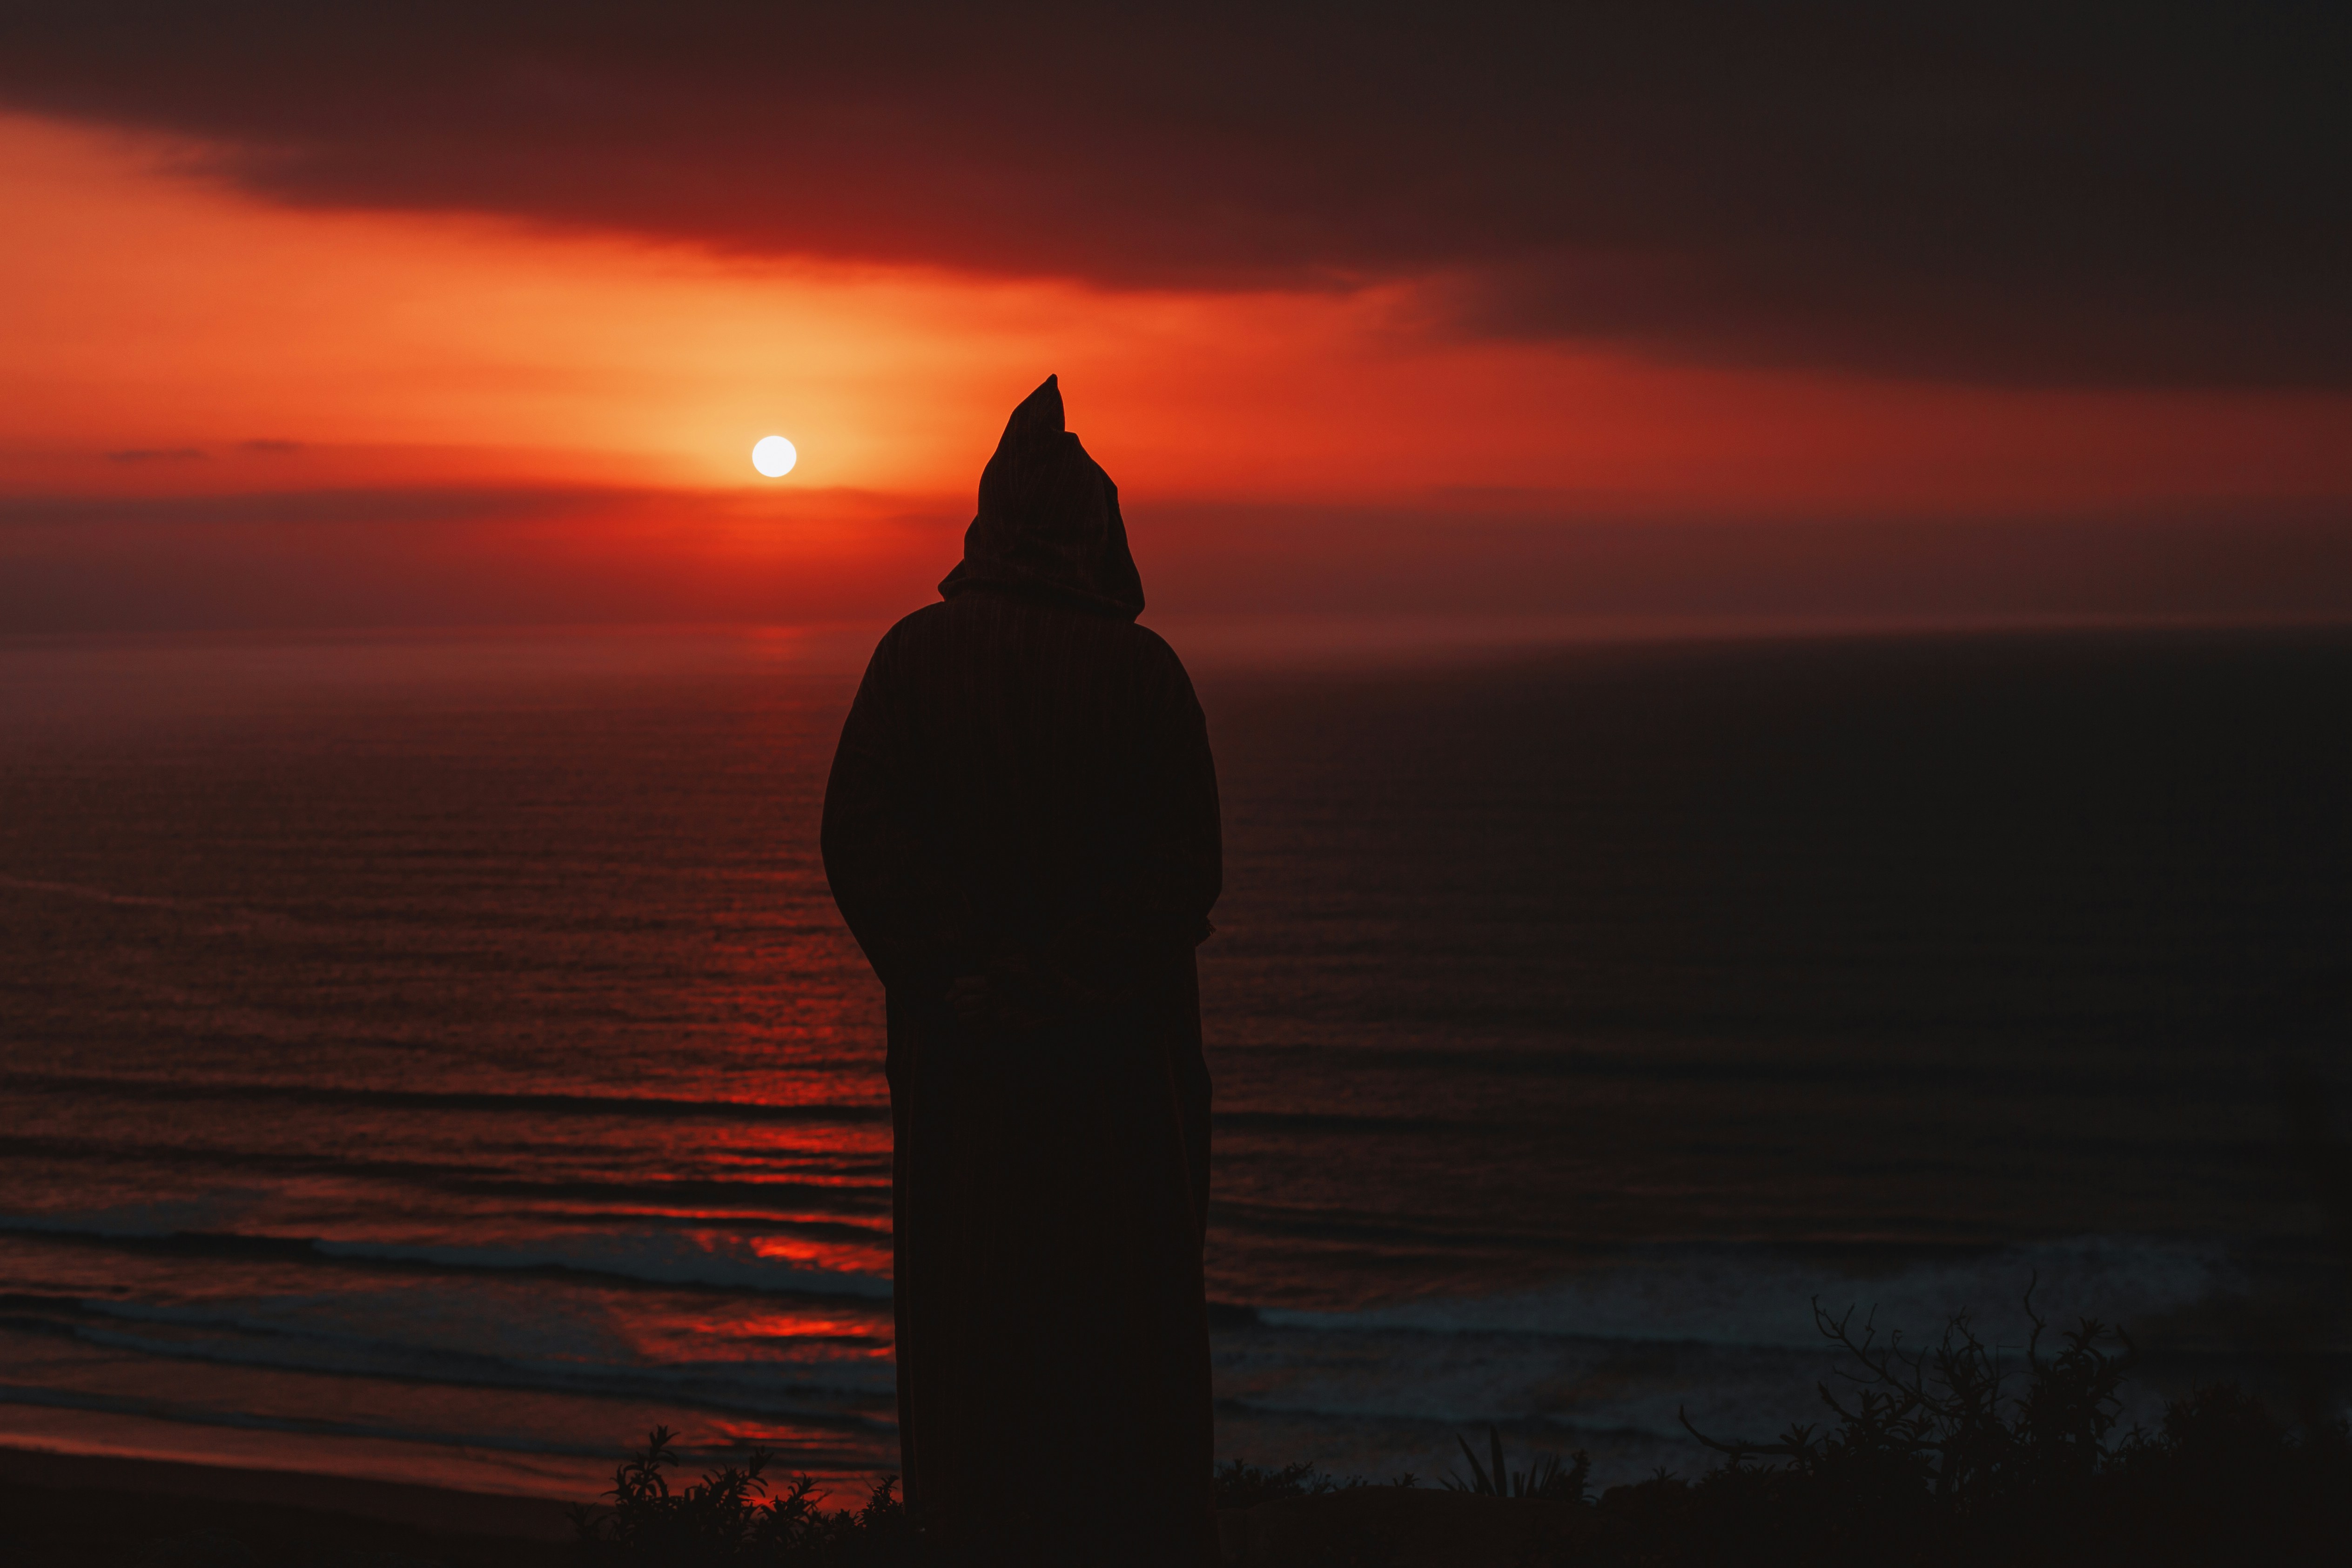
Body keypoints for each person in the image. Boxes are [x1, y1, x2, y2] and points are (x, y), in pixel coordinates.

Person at [821, 375, 1223, 1566]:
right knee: (1122, 1327)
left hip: (962, 1068)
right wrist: (1053, 984)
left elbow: (861, 843)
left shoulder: (912, 658)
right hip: (1115, 1076)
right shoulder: (1144, 675)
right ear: (1095, 530)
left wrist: (961, 976)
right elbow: (1179, 879)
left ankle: (970, 1522)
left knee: (972, 1317)